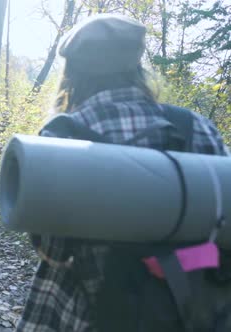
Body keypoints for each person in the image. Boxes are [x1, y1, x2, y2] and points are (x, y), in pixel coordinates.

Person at [16, 14, 228, 331]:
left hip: (90, 311)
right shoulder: (196, 127)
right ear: (137, 67)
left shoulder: (63, 137)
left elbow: (52, 248)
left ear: (72, 74)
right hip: (186, 309)